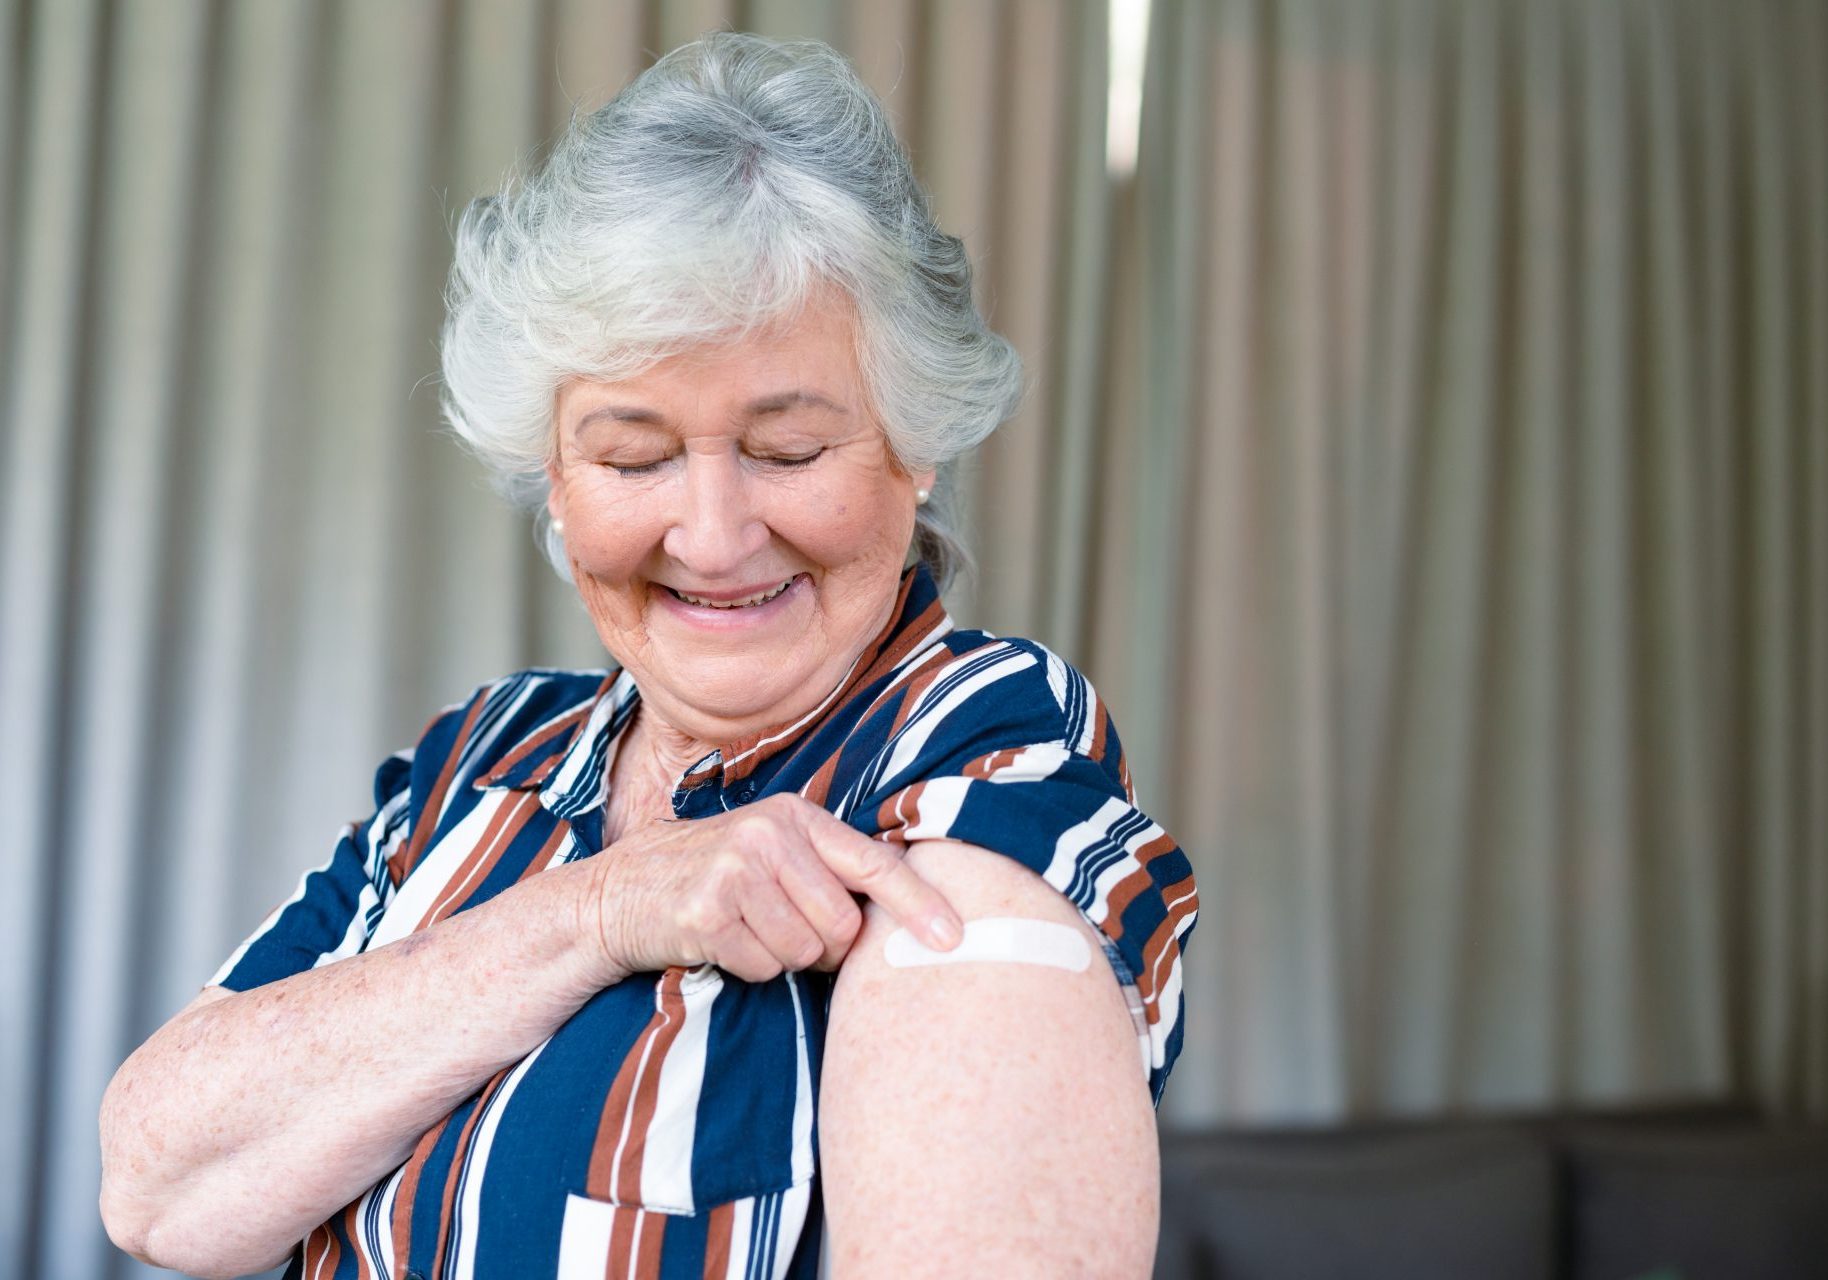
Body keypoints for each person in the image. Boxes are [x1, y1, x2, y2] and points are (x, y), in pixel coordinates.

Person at [99, 33, 1197, 1280]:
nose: (716, 536)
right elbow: (159, 1185)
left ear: (915, 444)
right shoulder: (485, 757)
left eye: (788, 451)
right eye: (632, 456)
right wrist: (596, 910)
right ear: (555, 481)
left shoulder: (976, 755)